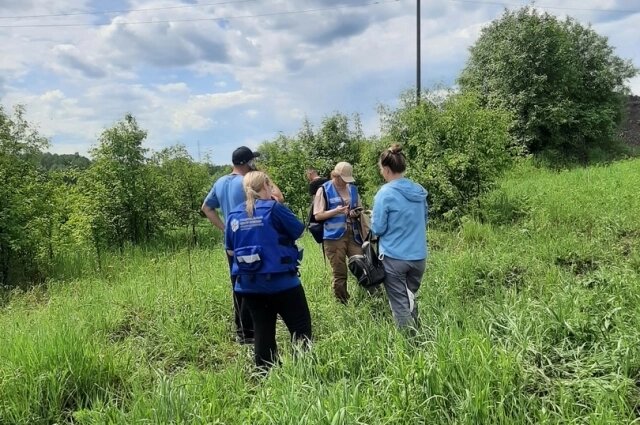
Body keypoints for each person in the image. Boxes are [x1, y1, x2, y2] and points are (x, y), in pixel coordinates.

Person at [225, 171, 312, 370]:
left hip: (250, 287)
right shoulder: (274, 208)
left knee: (263, 332)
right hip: (284, 284)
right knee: (300, 328)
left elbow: (230, 249)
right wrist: (278, 201)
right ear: (266, 185)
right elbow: (298, 229)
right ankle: (306, 370)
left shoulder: (234, 214)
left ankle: (266, 374)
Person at [201, 146, 259, 344]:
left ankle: (242, 330)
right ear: (247, 163)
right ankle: (249, 333)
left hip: (232, 243)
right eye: (252, 161)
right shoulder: (247, 182)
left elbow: (207, 208)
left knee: (237, 285)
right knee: (252, 285)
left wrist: (225, 228)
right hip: (250, 242)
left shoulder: (220, 182)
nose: (254, 164)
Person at [370, 144, 428, 328]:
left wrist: (373, 217)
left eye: (381, 170)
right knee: (409, 297)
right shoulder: (418, 191)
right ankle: (419, 336)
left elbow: (378, 229)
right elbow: (423, 220)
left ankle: (410, 350)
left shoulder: (385, 193)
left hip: (395, 257)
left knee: (399, 305)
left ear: (386, 169)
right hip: (419, 257)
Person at [313, 162, 363, 303]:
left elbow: (360, 207)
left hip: (353, 233)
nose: (345, 182)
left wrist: (355, 212)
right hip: (333, 237)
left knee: (361, 263)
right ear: (336, 175)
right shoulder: (324, 189)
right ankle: (342, 302)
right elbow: (318, 215)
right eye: (343, 178)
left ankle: (368, 296)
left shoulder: (353, 189)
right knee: (339, 272)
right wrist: (337, 211)